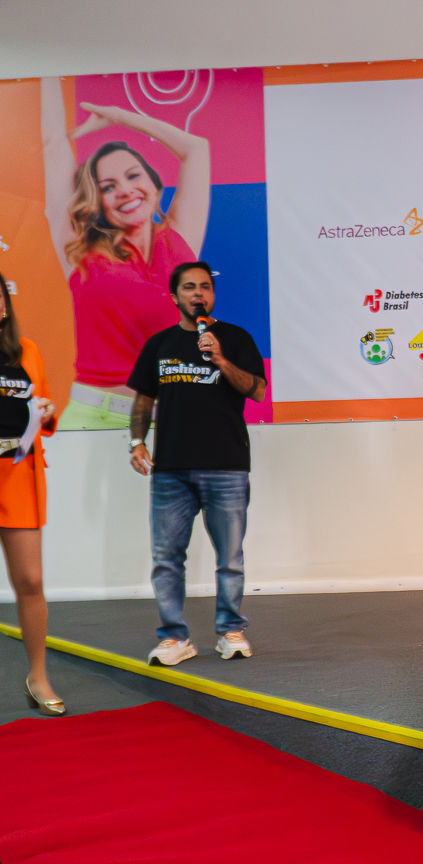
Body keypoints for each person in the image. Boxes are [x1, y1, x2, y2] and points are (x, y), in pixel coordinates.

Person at [41, 79, 212, 430]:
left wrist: (120, 117)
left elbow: (196, 148)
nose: (125, 190)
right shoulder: (81, 251)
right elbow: (54, 144)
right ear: (97, 201)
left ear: (154, 185)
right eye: (108, 187)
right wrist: (47, 70)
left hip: (172, 415)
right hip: (95, 417)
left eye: (134, 176)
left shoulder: (179, 240)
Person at [127, 261, 266, 666]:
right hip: (171, 469)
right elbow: (144, 400)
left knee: (230, 558)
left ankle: (231, 631)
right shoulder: (159, 345)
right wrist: (136, 442)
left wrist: (220, 359)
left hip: (226, 465)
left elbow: (257, 390)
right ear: (175, 296)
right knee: (167, 557)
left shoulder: (235, 338)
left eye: (205, 287)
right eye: (189, 287)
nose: (198, 294)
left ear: (212, 295)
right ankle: (174, 637)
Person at [0, 279, 63, 713]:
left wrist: (48, 411)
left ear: (5, 305)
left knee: (31, 581)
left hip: (18, 474)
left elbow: (44, 407)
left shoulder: (27, 350)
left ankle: (38, 677)